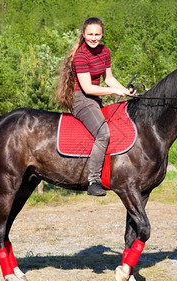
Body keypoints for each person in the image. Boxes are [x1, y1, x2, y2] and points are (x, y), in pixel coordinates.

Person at [57, 17, 135, 196]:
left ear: (102, 34)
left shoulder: (105, 51)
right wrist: (115, 92)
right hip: (81, 99)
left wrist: (125, 90)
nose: (93, 38)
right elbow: (88, 88)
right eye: (90, 34)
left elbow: (108, 78)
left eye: (97, 34)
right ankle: (93, 180)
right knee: (103, 133)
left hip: (95, 99)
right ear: (83, 34)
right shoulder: (80, 56)